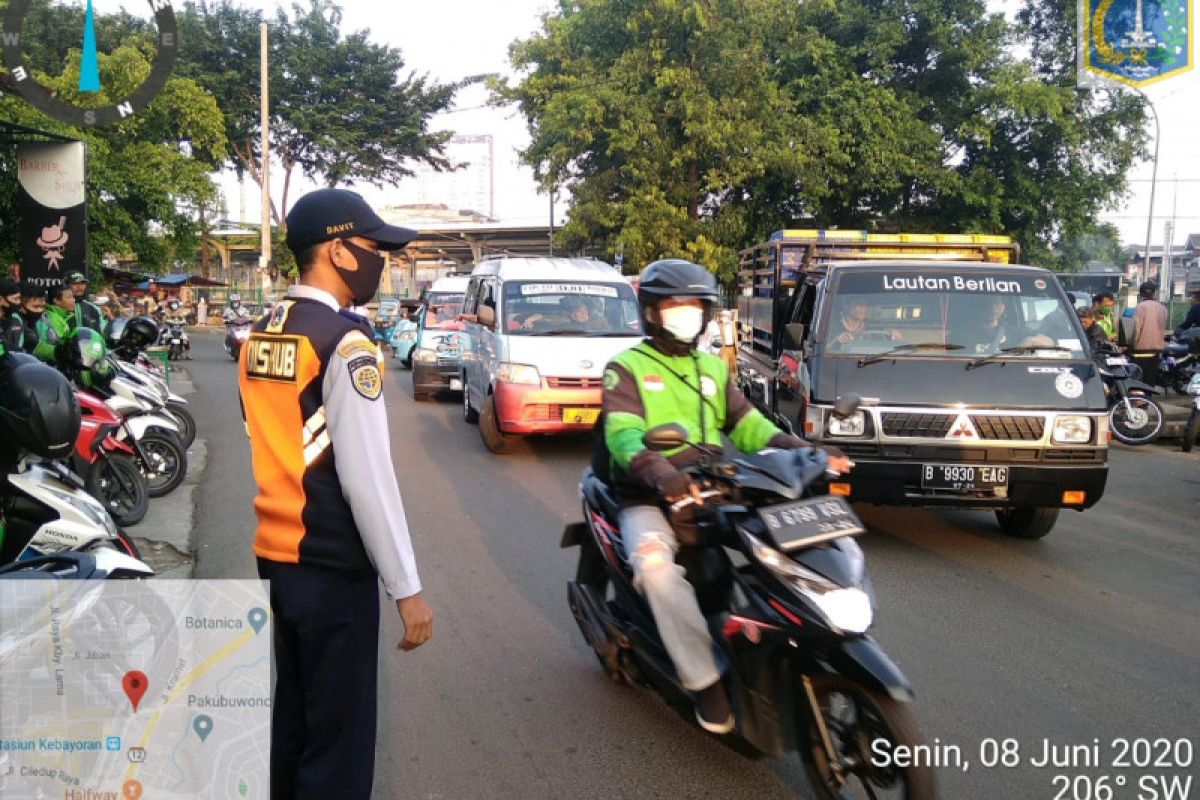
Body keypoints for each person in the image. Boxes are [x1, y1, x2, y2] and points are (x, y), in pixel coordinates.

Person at [237, 187, 432, 800]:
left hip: (277, 555)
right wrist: (408, 591)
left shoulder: (262, 334)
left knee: (295, 716)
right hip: (330, 565)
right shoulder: (344, 344)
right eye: (375, 249)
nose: (382, 261)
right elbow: (368, 479)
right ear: (339, 251)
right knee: (340, 742)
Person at [602, 258, 851, 734]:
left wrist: (809, 452)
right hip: (648, 494)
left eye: (695, 306)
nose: (686, 314)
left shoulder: (712, 368)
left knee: (780, 550)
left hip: (715, 485)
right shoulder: (626, 368)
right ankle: (706, 679)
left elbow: (749, 426)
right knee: (656, 571)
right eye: (676, 305)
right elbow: (623, 435)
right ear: (652, 311)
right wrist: (661, 473)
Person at [1131, 281, 1167, 386]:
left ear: (1141, 294)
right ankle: (1148, 400)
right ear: (1154, 293)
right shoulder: (1162, 308)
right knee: (1150, 380)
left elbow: (1137, 328)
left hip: (1141, 350)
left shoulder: (1140, 307)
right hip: (1156, 350)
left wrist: (1131, 345)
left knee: (1138, 379)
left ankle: (1139, 401)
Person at [0, 279, 25, 352]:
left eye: (19, 298)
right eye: (15, 299)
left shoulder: (17, 318)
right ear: (1, 300)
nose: (19, 302)